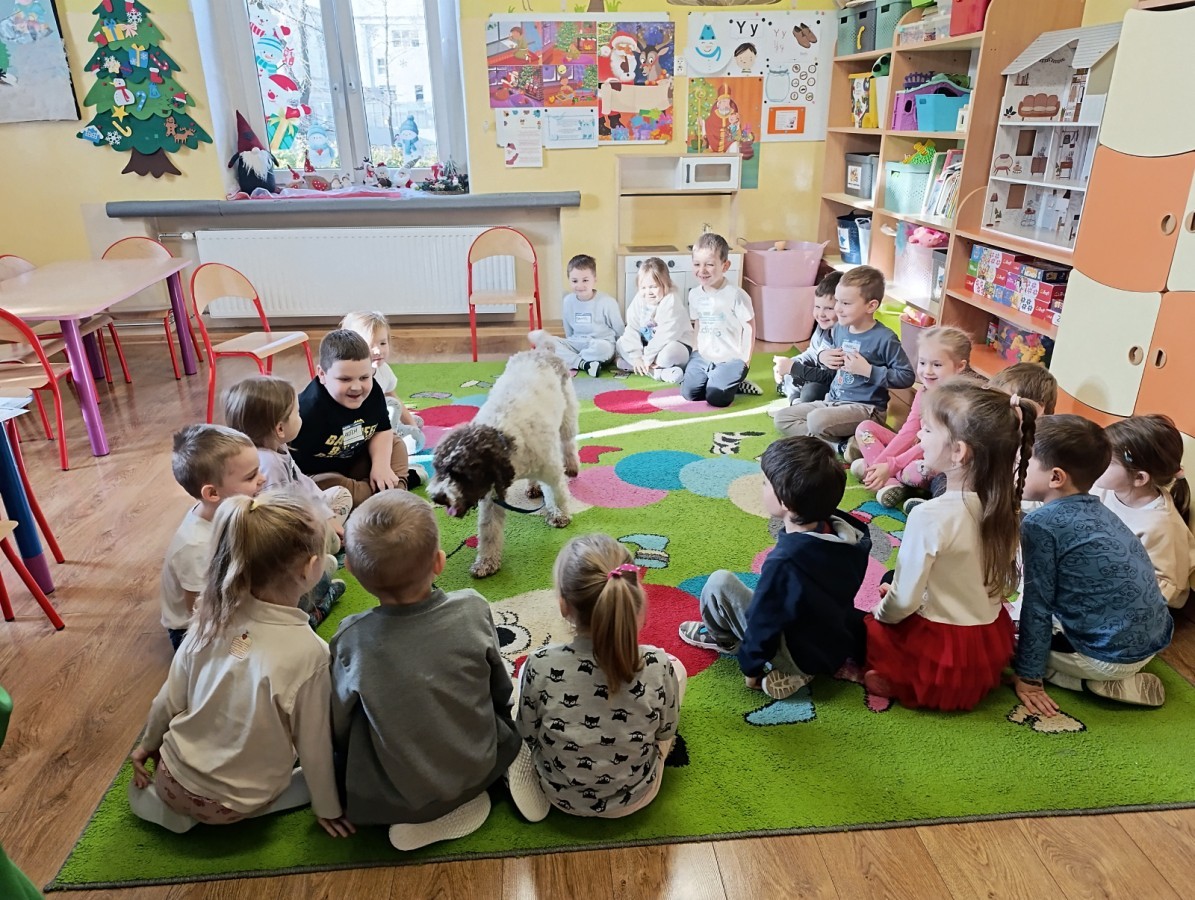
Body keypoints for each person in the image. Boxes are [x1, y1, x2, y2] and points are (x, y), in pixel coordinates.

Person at [128, 492, 353, 839]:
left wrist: (147, 743)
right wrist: (328, 807)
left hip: (171, 775)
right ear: (312, 568)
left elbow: (168, 698)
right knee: (335, 763)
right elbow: (314, 745)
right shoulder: (311, 654)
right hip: (231, 806)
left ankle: (170, 809)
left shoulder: (209, 615)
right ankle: (253, 806)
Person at [330, 492, 521, 850]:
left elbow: (339, 722)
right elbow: (500, 686)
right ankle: (485, 784)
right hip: (482, 763)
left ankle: (422, 814)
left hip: (402, 793)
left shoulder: (350, 639)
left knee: (353, 731)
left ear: (351, 570)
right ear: (439, 562)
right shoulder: (473, 607)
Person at [864, 382, 1037, 711]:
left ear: (959, 451)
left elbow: (903, 602)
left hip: (939, 650)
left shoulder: (929, 516)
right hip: (985, 643)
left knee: (873, 619)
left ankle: (897, 677)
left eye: (927, 429)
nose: (918, 435)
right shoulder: (1006, 507)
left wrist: (881, 612)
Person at [678, 436, 870, 700]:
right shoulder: (850, 536)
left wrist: (751, 667)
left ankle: (731, 642)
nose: (761, 486)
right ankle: (800, 670)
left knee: (719, 583)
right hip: (831, 644)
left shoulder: (785, 562)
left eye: (765, 483)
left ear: (786, 503)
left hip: (796, 650)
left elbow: (763, 621)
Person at [514, 534, 685, 818]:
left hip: (560, 796)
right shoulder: (656, 663)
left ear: (563, 605)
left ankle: (523, 776)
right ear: (632, 598)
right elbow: (665, 731)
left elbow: (527, 732)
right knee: (676, 669)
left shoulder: (540, 663)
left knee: (525, 677)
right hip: (636, 796)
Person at [1014, 415, 1174, 714]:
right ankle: (1104, 674)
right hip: (1149, 644)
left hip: (1104, 658)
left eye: (1022, 463)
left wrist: (1028, 678)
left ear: (1056, 477)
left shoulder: (1041, 524)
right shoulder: (1099, 509)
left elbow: (1037, 607)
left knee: (1001, 638)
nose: (1015, 470)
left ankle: (1082, 682)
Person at [222, 377, 349, 626]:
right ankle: (321, 577)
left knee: (340, 494)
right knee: (331, 552)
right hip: (288, 536)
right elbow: (282, 521)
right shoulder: (267, 464)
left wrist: (328, 515)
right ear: (280, 428)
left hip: (302, 512)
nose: (301, 417)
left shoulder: (279, 448)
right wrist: (321, 524)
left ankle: (327, 552)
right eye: (297, 413)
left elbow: (304, 483)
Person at [772, 265, 914, 446]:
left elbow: (906, 376)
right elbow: (830, 363)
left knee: (816, 420)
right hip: (833, 402)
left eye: (845, 303)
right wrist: (823, 356)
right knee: (783, 418)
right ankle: (840, 445)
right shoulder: (840, 329)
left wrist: (868, 371)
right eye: (837, 301)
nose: (838, 309)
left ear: (871, 306)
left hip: (867, 409)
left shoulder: (884, 338)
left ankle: (848, 438)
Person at [160, 425, 265, 651]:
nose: (262, 479)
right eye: (251, 476)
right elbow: (200, 614)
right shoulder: (195, 546)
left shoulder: (219, 512)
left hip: (227, 598)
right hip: (194, 632)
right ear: (213, 493)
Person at [849, 326, 974, 509]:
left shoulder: (956, 401)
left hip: (935, 457)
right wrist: (882, 463)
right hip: (916, 447)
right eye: (922, 363)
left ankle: (882, 474)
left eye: (937, 365)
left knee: (916, 471)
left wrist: (892, 465)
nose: (927, 371)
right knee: (865, 428)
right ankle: (886, 478)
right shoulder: (924, 391)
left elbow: (935, 446)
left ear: (959, 366)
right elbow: (909, 431)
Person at [289, 329, 413, 508]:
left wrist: (381, 466)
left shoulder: (373, 392)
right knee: (338, 488)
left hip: (357, 461)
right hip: (322, 476)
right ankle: (393, 491)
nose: (356, 387)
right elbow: (287, 464)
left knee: (396, 444)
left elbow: (382, 430)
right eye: (345, 379)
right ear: (322, 375)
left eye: (364, 377)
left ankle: (385, 490)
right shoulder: (307, 410)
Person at [911, 361, 1054, 515]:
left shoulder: (1037, 447)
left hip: (1007, 508)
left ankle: (939, 508)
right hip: (977, 493)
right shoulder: (998, 430)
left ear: (1037, 408)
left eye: (1006, 406)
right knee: (942, 478)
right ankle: (937, 504)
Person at [1092, 415, 1195, 609]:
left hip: (1141, 602)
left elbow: (1168, 589)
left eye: (1106, 460)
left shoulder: (1160, 525)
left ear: (1139, 478)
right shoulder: (1104, 488)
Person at [681, 232, 757, 407]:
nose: (702, 270)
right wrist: (695, 350)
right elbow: (698, 322)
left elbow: (749, 326)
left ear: (725, 265)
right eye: (697, 264)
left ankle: (736, 382)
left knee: (716, 398)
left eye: (709, 264)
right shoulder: (694, 294)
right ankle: (717, 379)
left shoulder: (736, 295)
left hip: (731, 359)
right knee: (689, 394)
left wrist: (745, 361)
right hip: (703, 356)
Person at [339, 311, 426, 456]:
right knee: (394, 411)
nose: (378, 350)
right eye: (370, 345)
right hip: (356, 429)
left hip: (378, 420)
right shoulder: (350, 376)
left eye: (383, 343)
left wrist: (410, 423)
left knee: (413, 421)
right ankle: (388, 443)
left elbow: (394, 396)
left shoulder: (383, 369)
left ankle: (396, 432)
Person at [530, 254, 624, 377]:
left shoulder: (607, 302)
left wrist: (619, 354)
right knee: (546, 344)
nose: (580, 285)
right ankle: (585, 364)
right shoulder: (568, 301)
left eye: (585, 280)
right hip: (576, 343)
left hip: (600, 344)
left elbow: (620, 330)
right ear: (569, 280)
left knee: (604, 349)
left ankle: (574, 360)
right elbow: (568, 331)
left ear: (594, 279)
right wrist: (568, 347)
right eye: (575, 281)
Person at [615, 257, 694, 383]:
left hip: (675, 345)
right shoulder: (639, 300)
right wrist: (636, 357)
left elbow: (665, 335)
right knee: (621, 343)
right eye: (643, 288)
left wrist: (646, 359)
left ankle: (637, 367)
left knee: (667, 355)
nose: (648, 292)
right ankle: (659, 373)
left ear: (666, 284)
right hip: (649, 348)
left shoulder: (671, 301)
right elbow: (632, 328)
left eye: (653, 287)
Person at [772, 270, 841, 403]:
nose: (821, 314)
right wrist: (792, 363)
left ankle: (797, 401)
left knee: (812, 391)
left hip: (832, 384)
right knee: (790, 372)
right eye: (817, 306)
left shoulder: (843, 338)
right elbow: (812, 354)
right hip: (817, 375)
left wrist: (793, 367)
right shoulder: (822, 328)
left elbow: (830, 377)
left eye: (829, 308)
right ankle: (795, 400)